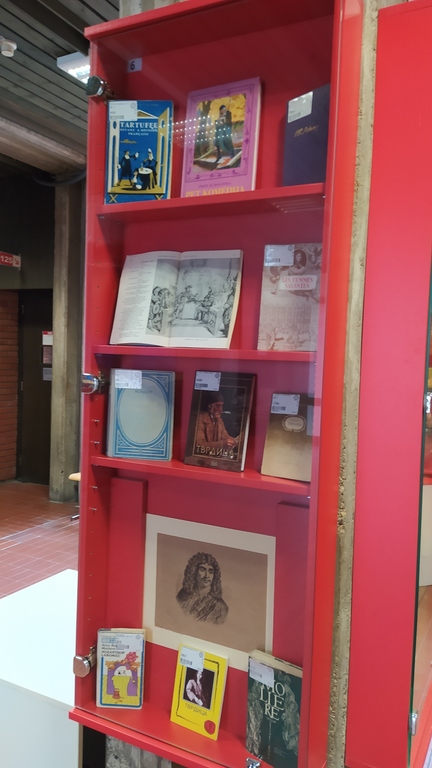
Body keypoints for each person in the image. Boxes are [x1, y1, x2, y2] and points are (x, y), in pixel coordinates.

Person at [176, 551, 228, 624]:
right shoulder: (183, 594)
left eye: (210, 572)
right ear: (194, 572)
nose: (207, 576)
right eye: (202, 570)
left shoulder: (220, 607)